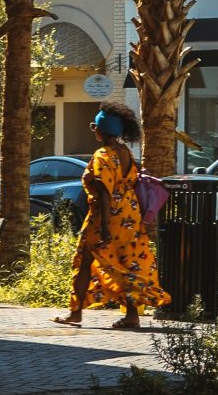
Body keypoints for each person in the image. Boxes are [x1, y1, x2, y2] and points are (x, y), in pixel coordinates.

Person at [56, 102, 167, 330]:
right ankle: (132, 315)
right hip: (130, 215)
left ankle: (75, 313)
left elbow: (105, 192)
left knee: (85, 262)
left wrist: (105, 226)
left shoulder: (103, 155)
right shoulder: (125, 152)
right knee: (126, 263)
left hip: (106, 216)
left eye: (93, 126)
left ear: (101, 129)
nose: (93, 130)